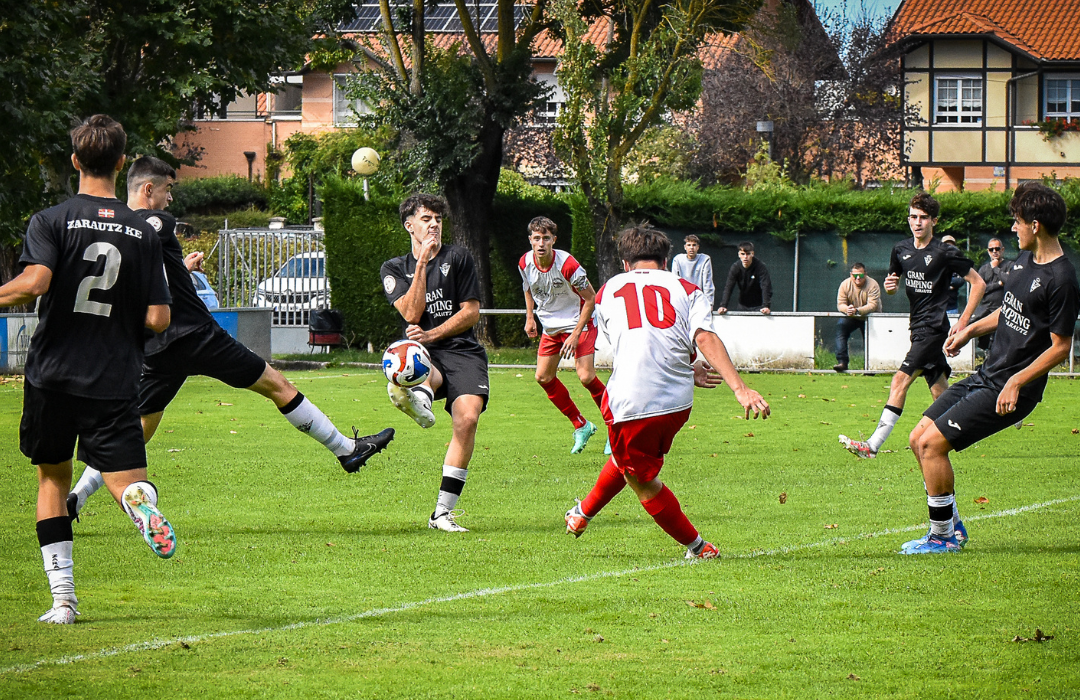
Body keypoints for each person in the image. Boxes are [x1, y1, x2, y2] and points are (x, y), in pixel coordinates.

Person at [66, 156, 394, 521]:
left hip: (156, 348)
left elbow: (143, 273)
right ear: (148, 189)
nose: (169, 199)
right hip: (195, 334)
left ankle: (77, 496)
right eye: (167, 190)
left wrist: (181, 268)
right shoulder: (154, 221)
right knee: (278, 385)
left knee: (140, 428)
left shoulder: (111, 231)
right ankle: (346, 449)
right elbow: (149, 235)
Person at [0, 116, 173, 624]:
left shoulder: (51, 220)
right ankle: (138, 502)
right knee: (126, 480)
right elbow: (159, 318)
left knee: (53, 479)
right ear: (121, 163)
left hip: (53, 374)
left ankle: (64, 601)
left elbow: (34, 283)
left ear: (75, 160)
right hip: (115, 376)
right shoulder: (143, 232)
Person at [564, 225, 770, 558]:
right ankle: (582, 514)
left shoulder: (607, 291)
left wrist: (738, 388)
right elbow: (701, 337)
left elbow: (634, 340)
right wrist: (737, 386)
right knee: (628, 459)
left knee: (641, 479)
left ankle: (699, 548)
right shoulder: (687, 288)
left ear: (626, 263)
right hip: (677, 403)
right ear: (665, 261)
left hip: (632, 402)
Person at [902, 182, 1079, 554]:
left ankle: (942, 537)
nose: (1013, 228)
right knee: (918, 439)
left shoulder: (1062, 279)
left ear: (1035, 225)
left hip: (1011, 388)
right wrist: (968, 330)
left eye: (1017, 222)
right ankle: (952, 526)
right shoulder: (1023, 262)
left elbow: (1061, 347)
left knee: (932, 445)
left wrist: (1017, 381)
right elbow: (1008, 310)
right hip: (988, 374)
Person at [839, 193, 985, 460]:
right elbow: (892, 285)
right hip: (916, 327)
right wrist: (890, 287)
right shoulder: (900, 249)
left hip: (933, 328)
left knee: (900, 380)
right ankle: (982, 413)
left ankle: (873, 445)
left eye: (923, 218)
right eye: (913, 217)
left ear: (934, 221)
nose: (917, 222)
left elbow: (979, 283)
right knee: (940, 390)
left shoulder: (945, 252)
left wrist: (963, 322)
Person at [381, 194, 488, 533]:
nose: (434, 225)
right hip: (423, 354)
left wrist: (432, 333)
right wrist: (422, 264)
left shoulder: (458, 257)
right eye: (426, 219)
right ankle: (420, 397)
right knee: (415, 359)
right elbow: (411, 314)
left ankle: (441, 513)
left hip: (462, 351)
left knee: (467, 419)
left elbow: (471, 312)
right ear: (409, 225)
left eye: (438, 219)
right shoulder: (393, 268)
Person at [520, 217, 607, 454]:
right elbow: (527, 288)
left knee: (586, 377)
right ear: (530, 240)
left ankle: (615, 427)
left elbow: (591, 298)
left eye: (546, 238)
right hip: (551, 327)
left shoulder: (568, 264)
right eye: (536, 238)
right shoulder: (524, 262)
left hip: (580, 322)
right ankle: (581, 425)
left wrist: (575, 334)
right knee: (543, 377)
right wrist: (530, 317)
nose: (541, 243)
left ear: (554, 240)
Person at [833, 262, 881, 372]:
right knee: (841, 329)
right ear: (851, 275)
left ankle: (871, 367)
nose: (858, 278)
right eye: (855, 275)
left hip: (870, 317)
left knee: (871, 340)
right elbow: (840, 304)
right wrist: (847, 309)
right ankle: (842, 362)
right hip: (852, 316)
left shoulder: (873, 284)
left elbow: (873, 305)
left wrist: (857, 310)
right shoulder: (845, 284)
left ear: (865, 274)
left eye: (861, 275)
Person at [972, 237, 1011, 352]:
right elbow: (980, 289)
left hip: (1002, 310)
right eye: (991, 249)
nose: (994, 251)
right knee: (985, 343)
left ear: (1002, 250)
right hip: (986, 310)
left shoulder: (1009, 265)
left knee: (1000, 343)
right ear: (988, 251)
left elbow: (1009, 281)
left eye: (997, 248)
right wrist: (999, 284)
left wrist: (995, 269)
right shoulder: (984, 269)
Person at [717, 241, 771, 315]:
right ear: (739, 254)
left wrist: (766, 306)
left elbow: (766, 286)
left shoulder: (760, 267)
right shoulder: (735, 267)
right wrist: (723, 305)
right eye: (743, 254)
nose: (745, 257)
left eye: (748, 254)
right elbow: (729, 287)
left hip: (760, 307)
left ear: (752, 254)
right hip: (742, 306)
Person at [671, 234, 715, 309]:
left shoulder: (705, 259)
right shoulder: (677, 259)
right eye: (689, 245)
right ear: (685, 247)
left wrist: (709, 303)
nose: (691, 247)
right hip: (682, 300)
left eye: (694, 245)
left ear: (698, 247)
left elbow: (707, 282)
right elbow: (674, 281)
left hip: (699, 300)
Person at [941, 235, 964, 314]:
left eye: (951, 245)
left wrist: (945, 282)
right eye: (946, 245)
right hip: (937, 308)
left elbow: (960, 281)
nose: (949, 247)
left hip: (952, 307)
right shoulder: (936, 261)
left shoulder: (958, 263)